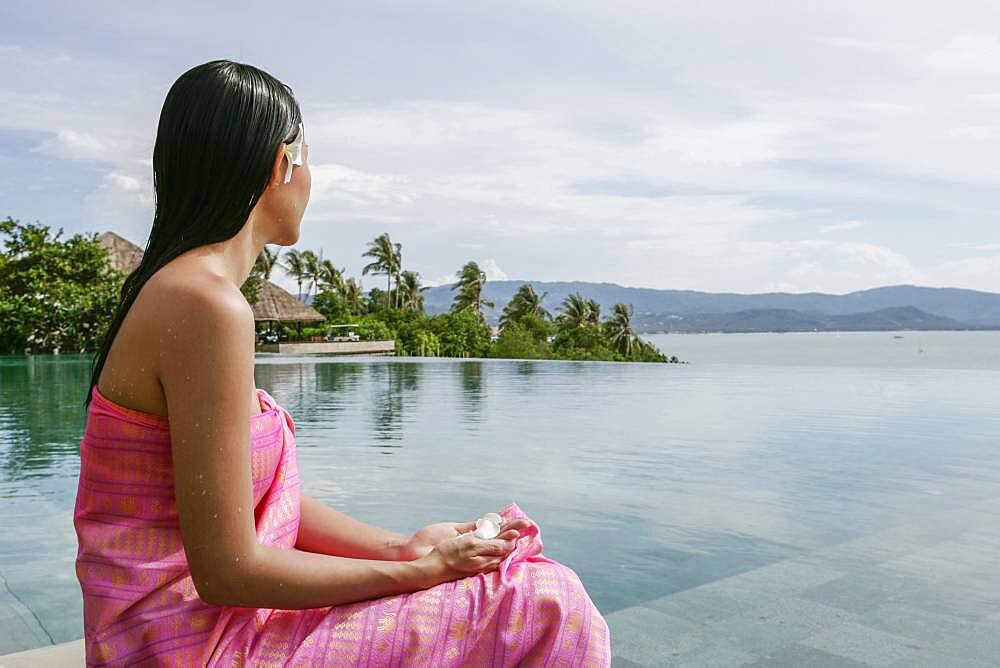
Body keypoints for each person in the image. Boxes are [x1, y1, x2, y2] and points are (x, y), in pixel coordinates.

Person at [73, 59, 611, 666]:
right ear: (283, 164)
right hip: (196, 645)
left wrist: (403, 549)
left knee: (523, 584)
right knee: (544, 602)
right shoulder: (205, 307)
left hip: (194, 632)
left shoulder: (184, 294)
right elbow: (228, 570)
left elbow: (242, 502)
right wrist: (423, 573)